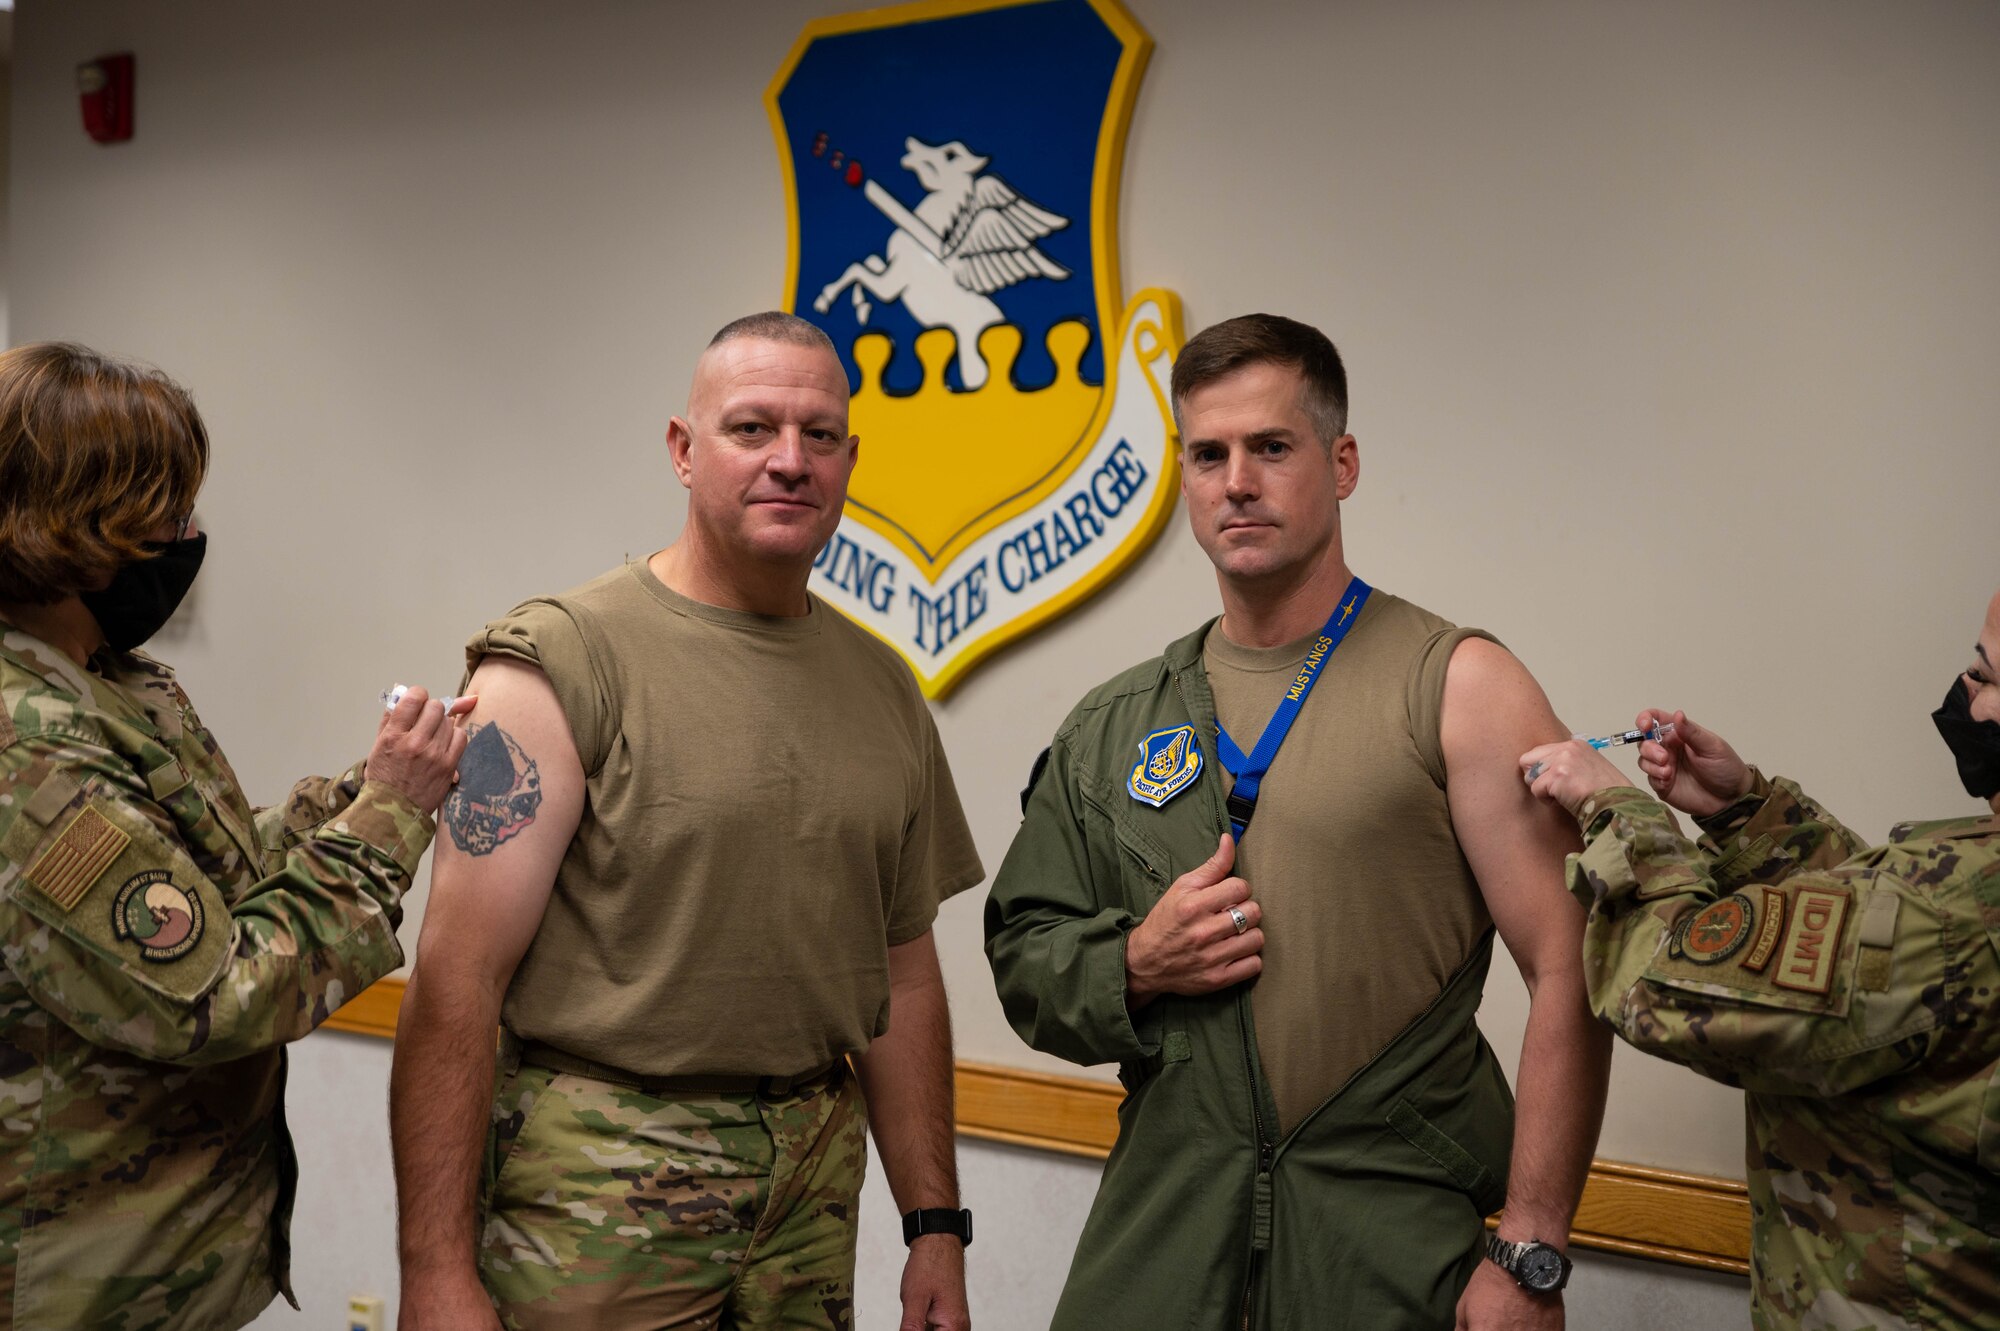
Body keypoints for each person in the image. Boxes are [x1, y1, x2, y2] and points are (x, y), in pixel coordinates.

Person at [984, 314, 1612, 1329]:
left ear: (1341, 460)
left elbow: (1569, 963)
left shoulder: (1456, 685)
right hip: (1165, 1229)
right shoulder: (1113, 723)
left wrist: (1531, 1246)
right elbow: (1024, 955)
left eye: (1270, 448)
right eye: (1208, 454)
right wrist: (1134, 961)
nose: (1237, 480)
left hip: (1380, 1231)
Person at [390, 312, 985, 1331]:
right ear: (683, 448)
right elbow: (457, 978)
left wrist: (932, 1221)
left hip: (807, 1193)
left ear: (849, 457)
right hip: (598, 1195)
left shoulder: (884, 689)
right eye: (751, 428)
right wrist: (435, 1272)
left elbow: (902, 974)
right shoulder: (557, 662)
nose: (789, 461)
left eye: (818, 434)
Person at [0, 342, 467, 1330]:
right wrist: (389, 819)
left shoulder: (108, 677)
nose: (189, 533)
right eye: (164, 509)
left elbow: (204, 874)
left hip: (176, 1264)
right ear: (77, 520)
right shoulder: (23, 745)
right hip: (83, 1287)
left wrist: (368, 785)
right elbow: (218, 991)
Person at [1518, 590, 2000, 1331]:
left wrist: (1621, 813)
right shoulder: (1960, 900)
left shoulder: (1953, 919)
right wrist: (1744, 812)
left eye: (1986, 674)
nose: (1966, 691)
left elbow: (1661, 986)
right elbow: (1873, 953)